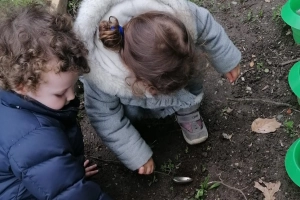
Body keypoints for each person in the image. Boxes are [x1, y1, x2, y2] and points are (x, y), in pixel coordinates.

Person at [74, 0, 241, 175]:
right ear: (137, 76)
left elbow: (208, 28)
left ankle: (187, 108)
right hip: (134, 102)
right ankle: (134, 128)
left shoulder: (179, 15)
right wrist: (135, 153)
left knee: (188, 81)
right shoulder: (101, 74)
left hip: (165, 73)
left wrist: (226, 59)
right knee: (125, 116)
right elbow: (105, 118)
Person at [0, 4, 111, 200]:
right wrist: (66, 183)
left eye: (74, 87)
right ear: (23, 86)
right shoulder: (34, 139)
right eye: (60, 94)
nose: (71, 97)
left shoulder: (22, 97)